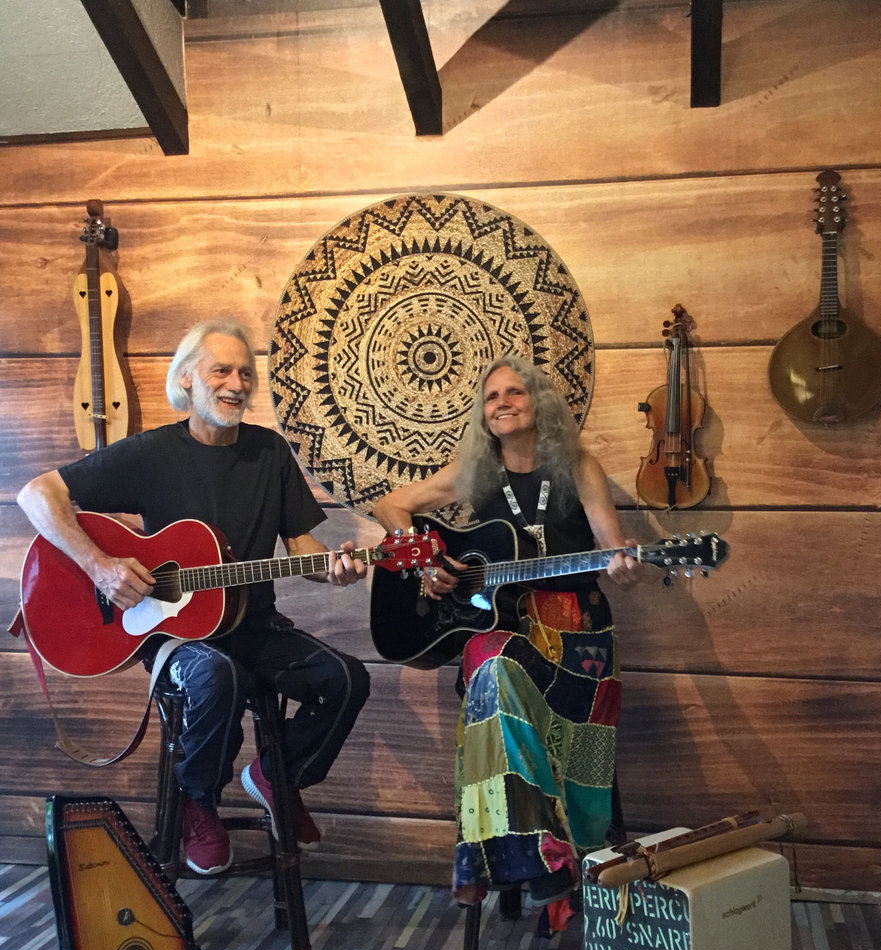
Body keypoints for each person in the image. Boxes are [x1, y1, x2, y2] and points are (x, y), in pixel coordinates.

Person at [17, 319, 370, 875]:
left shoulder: (270, 453)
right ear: (186, 378)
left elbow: (302, 546)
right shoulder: (151, 454)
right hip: (173, 635)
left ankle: (276, 778)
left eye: (246, 374)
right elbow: (37, 494)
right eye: (221, 370)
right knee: (216, 676)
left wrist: (336, 570)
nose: (237, 384)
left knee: (347, 679)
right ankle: (198, 802)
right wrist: (101, 567)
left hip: (254, 624)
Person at [372, 354, 641, 916]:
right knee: (493, 665)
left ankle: (539, 855)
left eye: (514, 392)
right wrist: (427, 562)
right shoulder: (476, 472)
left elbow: (613, 547)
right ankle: (539, 857)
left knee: (505, 686)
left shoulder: (578, 466)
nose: (502, 404)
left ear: (538, 402)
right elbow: (390, 504)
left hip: (578, 633)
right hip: (501, 626)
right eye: (492, 397)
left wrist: (625, 564)